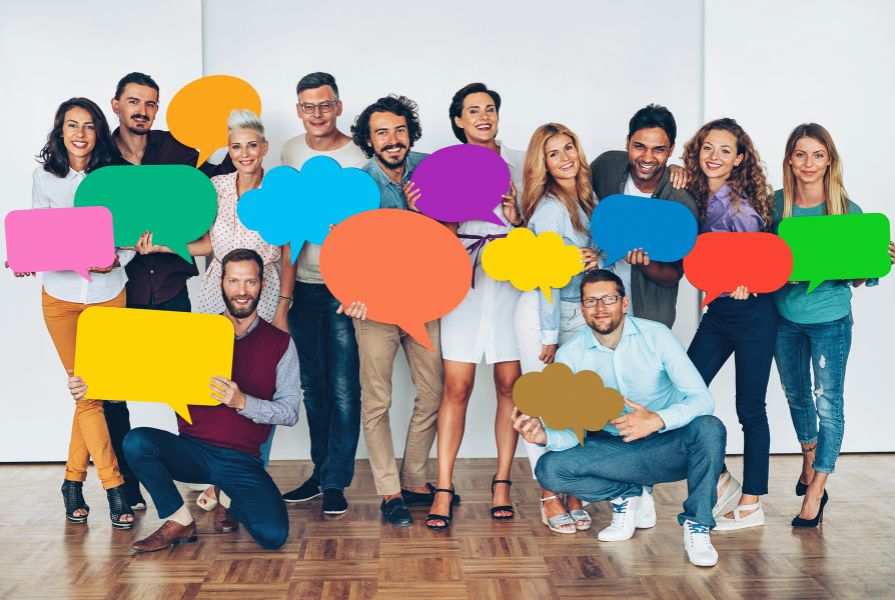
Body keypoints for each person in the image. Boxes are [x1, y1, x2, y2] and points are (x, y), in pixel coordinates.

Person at [136, 109, 295, 507]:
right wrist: (162, 245)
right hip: (215, 295)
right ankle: (213, 474)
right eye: (236, 146)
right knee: (205, 382)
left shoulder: (280, 187)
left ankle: (244, 475)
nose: (244, 153)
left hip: (265, 291)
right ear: (229, 148)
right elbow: (208, 245)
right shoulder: (217, 186)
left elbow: (290, 252)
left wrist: (282, 309)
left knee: (258, 386)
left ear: (264, 148)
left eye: (251, 146)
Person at [516, 269, 725, 567]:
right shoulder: (570, 356)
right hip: (615, 452)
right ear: (582, 308)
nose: (600, 308)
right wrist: (544, 436)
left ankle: (698, 526)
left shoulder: (657, 336)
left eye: (608, 299)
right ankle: (626, 496)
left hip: (666, 446)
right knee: (550, 468)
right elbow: (574, 433)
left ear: (624, 304)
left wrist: (657, 420)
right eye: (591, 301)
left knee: (709, 427)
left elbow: (702, 399)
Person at [109, 248, 299, 552]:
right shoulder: (193, 334)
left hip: (242, 460)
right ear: (221, 283)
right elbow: (138, 373)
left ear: (262, 284)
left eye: (250, 282)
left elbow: (289, 412)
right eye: (234, 281)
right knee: (136, 441)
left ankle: (227, 495)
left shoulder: (281, 343)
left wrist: (242, 401)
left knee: (273, 536)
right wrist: (88, 384)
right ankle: (178, 520)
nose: (241, 291)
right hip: (192, 451)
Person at [105, 72, 235, 509]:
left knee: (192, 387)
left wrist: (236, 154)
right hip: (120, 292)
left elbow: (208, 190)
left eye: (150, 103)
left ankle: (201, 473)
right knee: (111, 389)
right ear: (116, 104)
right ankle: (125, 485)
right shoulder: (101, 158)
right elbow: (82, 216)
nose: (142, 110)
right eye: (134, 101)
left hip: (172, 287)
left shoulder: (178, 150)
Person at [17, 97, 135, 528]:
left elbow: (126, 235)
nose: (80, 134)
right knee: (87, 392)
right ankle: (108, 486)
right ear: (60, 129)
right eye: (72, 126)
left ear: (98, 131)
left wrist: (118, 257)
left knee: (90, 391)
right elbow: (37, 236)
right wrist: (25, 257)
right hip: (61, 298)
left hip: (107, 294)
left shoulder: (115, 176)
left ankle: (85, 483)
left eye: (88, 126)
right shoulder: (45, 178)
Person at [772, 123, 890, 527]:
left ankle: (817, 490)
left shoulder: (846, 209)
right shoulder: (776, 205)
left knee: (828, 403)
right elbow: (762, 263)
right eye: (801, 154)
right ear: (790, 158)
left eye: (818, 155)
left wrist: (880, 258)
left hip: (831, 320)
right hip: (784, 317)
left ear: (830, 161)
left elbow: (857, 276)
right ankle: (808, 461)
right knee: (795, 395)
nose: (809, 163)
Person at [341, 95, 447, 527]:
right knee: (377, 400)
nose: (392, 139)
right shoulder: (356, 184)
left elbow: (450, 238)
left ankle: (416, 479)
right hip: (375, 307)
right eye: (382, 132)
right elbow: (342, 247)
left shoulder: (432, 170)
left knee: (433, 390)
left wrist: (426, 212)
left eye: (399, 130)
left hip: (425, 301)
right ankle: (389, 491)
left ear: (410, 133)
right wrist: (349, 294)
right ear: (368, 140)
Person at [426, 83, 524, 529]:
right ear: (459, 121)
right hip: (461, 279)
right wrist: (426, 211)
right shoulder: (443, 165)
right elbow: (440, 228)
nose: (483, 116)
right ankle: (444, 485)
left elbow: (538, 224)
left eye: (490, 109)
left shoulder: (522, 162)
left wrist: (518, 217)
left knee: (510, 384)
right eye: (473, 110)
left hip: (511, 282)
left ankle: (502, 479)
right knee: (456, 386)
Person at [681, 118, 776, 530]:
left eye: (724, 150)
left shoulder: (741, 208)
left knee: (750, 409)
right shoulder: (696, 193)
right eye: (707, 147)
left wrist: (746, 282)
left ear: (739, 160)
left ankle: (752, 502)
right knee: (683, 390)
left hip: (754, 313)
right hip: (719, 314)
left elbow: (755, 263)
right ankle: (720, 477)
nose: (713, 156)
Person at [279, 73, 366, 515]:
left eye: (325, 105)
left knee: (344, 389)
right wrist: (285, 296)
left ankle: (336, 480)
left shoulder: (359, 156)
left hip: (344, 289)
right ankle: (319, 473)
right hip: (302, 287)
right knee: (313, 387)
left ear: (338, 106)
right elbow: (283, 226)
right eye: (308, 106)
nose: (317, 114)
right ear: (298, 109)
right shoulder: (290, 151)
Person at [515, 123, 599, 534]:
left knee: (574, 406)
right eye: (554, 153)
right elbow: (547, 274)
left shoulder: (587, 199)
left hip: (577, 315)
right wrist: (548, 336)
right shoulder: (550, 209)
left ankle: (572, 488)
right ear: (542, 164)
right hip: (544, 316)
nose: (565, 157)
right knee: (541, 404)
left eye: (570, 148)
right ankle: (550, 493)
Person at [589, 104, 698, 326]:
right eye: (639, 146)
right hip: (596, 308)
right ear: (627, 142)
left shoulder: (679, 200)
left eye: (658, 149)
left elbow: (674, 275)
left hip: (647, 317)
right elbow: (574, 203)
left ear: (671, 149)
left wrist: (644, 264)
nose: (647, 158)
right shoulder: (606, 166)